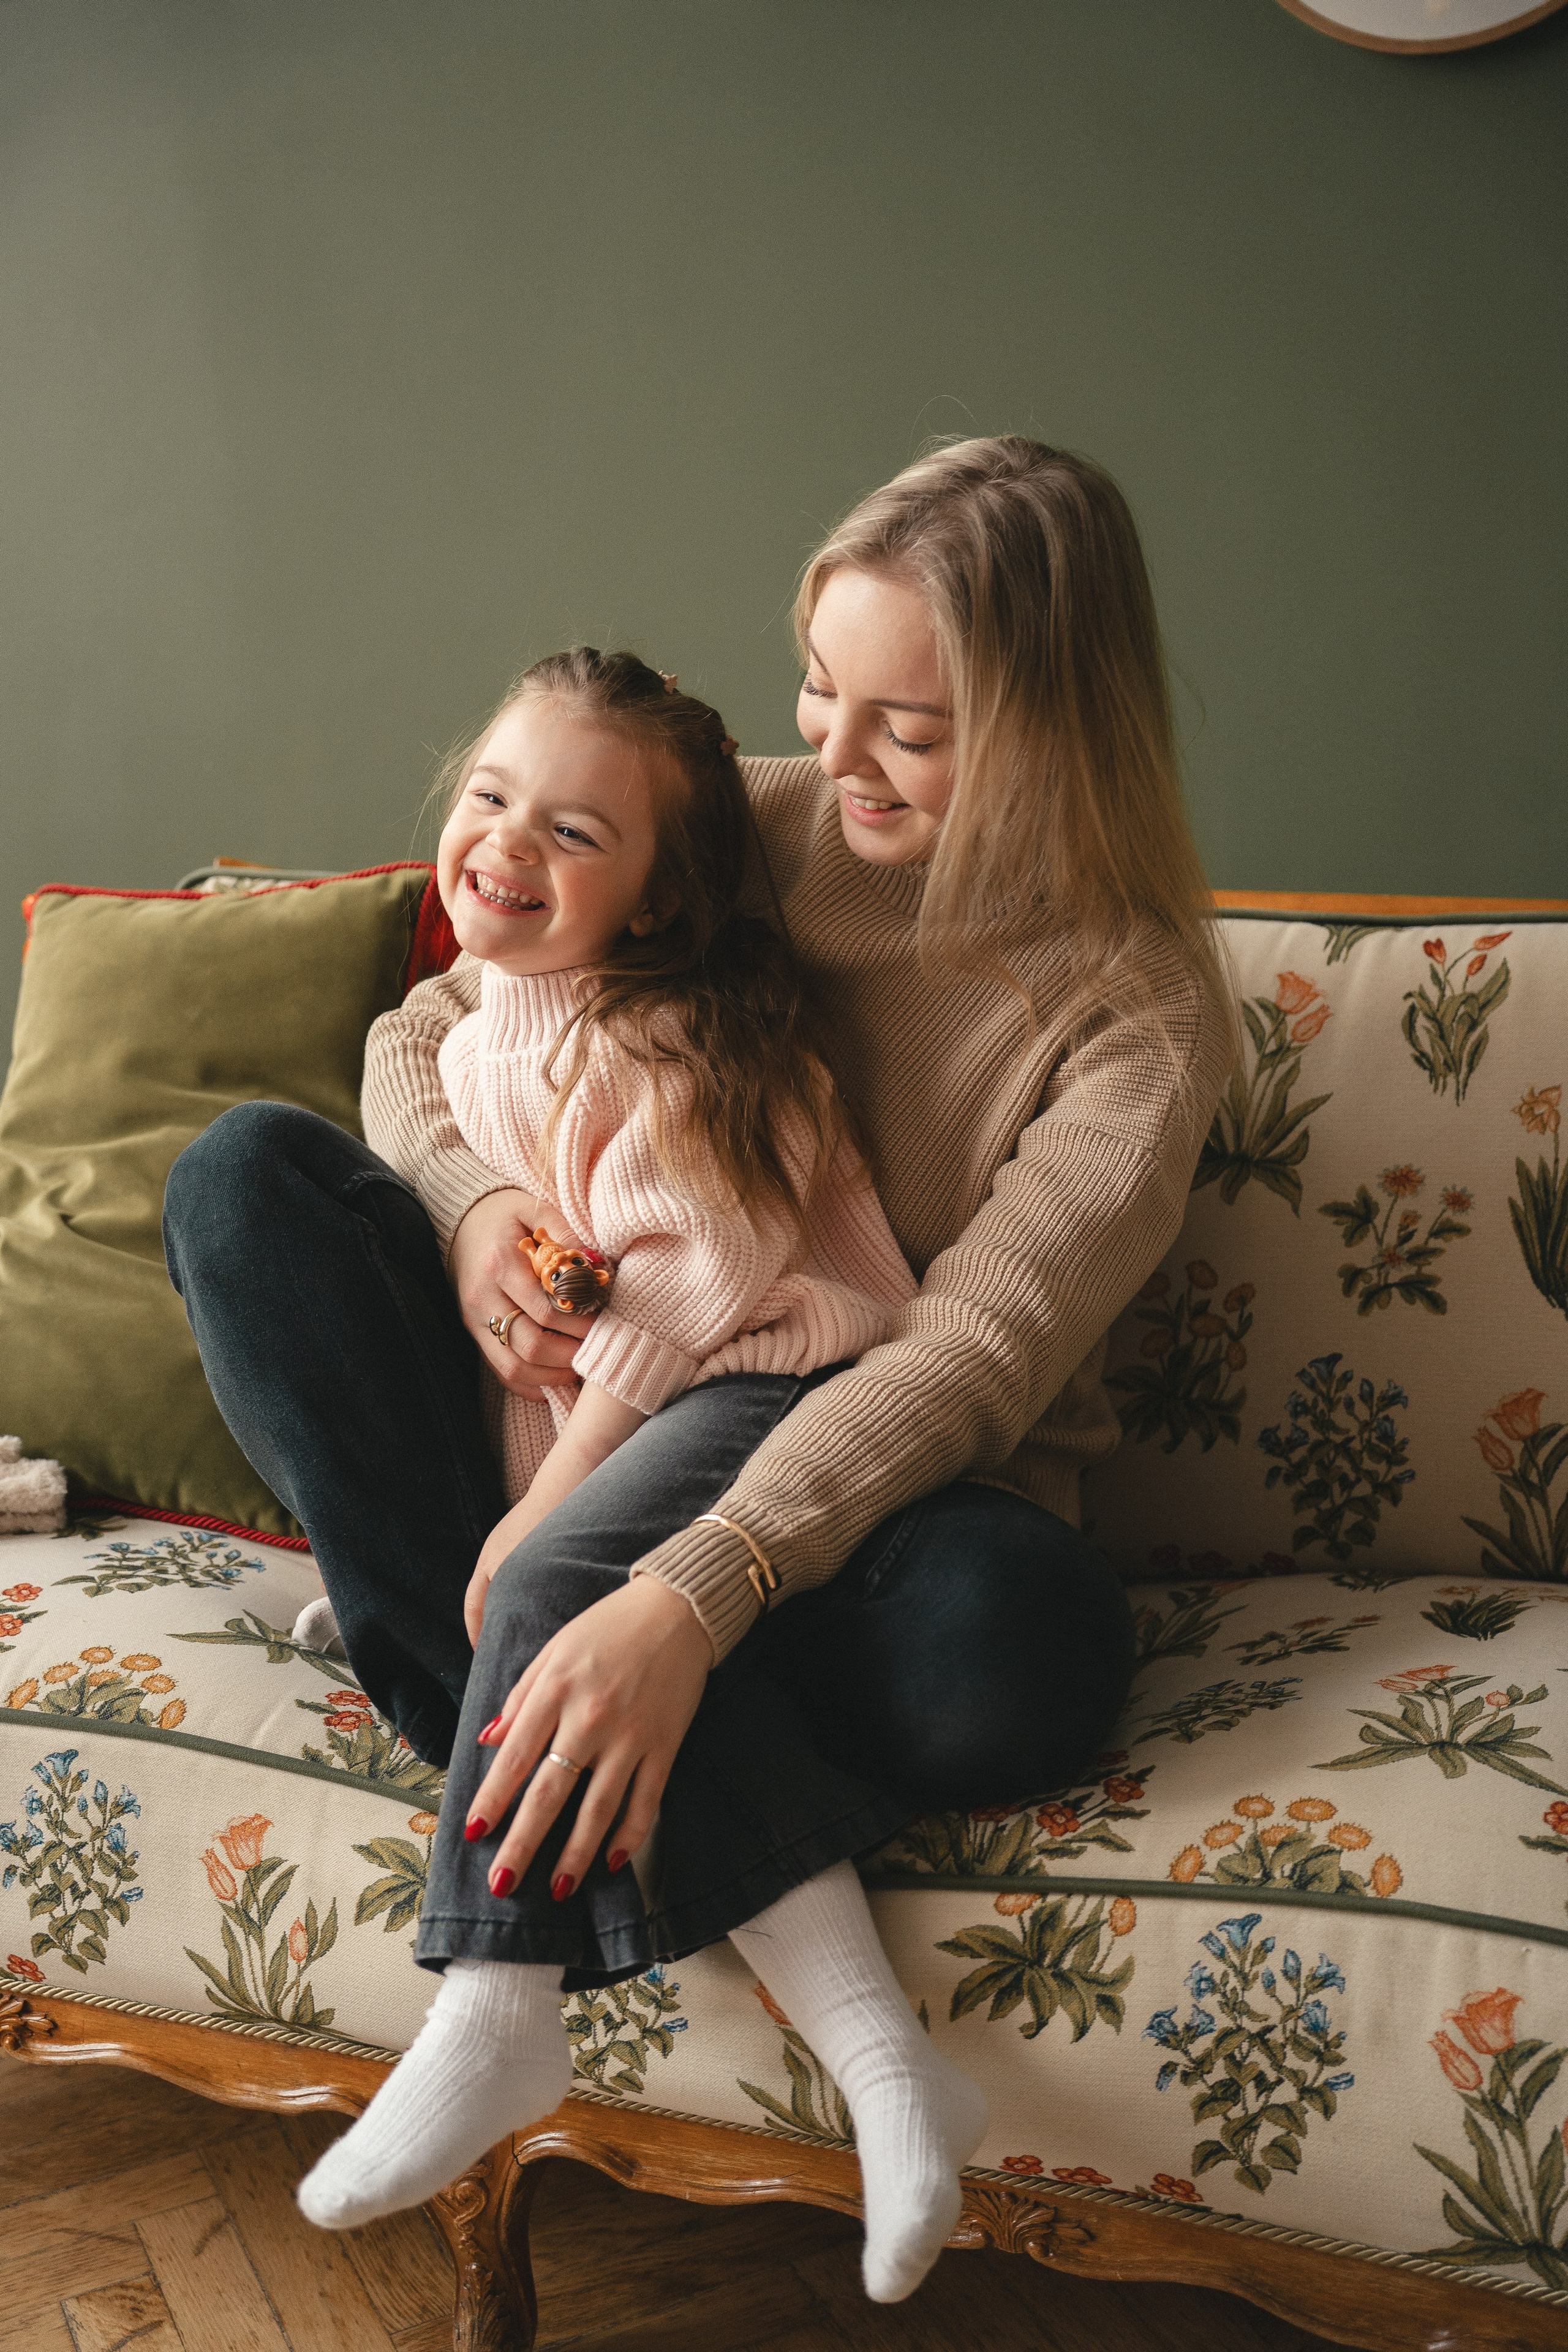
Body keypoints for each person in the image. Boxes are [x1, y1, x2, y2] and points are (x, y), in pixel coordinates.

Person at [162, 435, 1234, 2305]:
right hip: (579, 1413)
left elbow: (970, 1355)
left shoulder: (1137, 1013)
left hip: (884, 1498)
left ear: (1062, 720)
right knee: (243, 1185)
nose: (839, 756)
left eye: (916, 724)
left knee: (1021, 1648)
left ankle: (513, 1655)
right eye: (825, 688)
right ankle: (568, 1714)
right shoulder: (747, 824)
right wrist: (485, 1212)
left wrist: (700, 1586)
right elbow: (438, 1028)